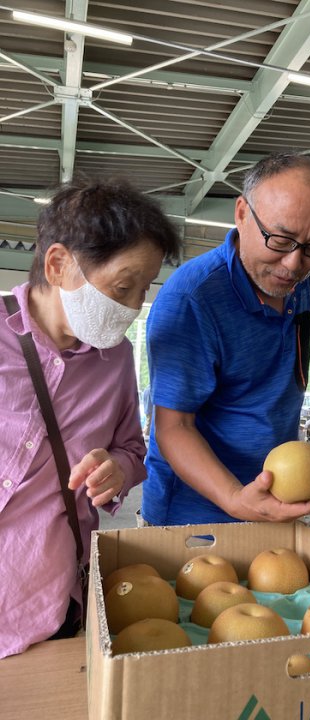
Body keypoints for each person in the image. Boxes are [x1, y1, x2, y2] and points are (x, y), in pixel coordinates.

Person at [0, 177, 179, 658]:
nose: (135, 307)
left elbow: (132, 449)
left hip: (51, 605)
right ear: (58, 264)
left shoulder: (115, 359)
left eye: (143, 290)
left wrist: (118, 468)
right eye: (123, 287)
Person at [142, 152, 310, 526]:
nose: (294, 264)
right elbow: (173, 428)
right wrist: (235, 499)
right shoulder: (192, 300)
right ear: (241, 213)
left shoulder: (296, 283)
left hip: (273, 502)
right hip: (194, 516)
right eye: (280, 239)